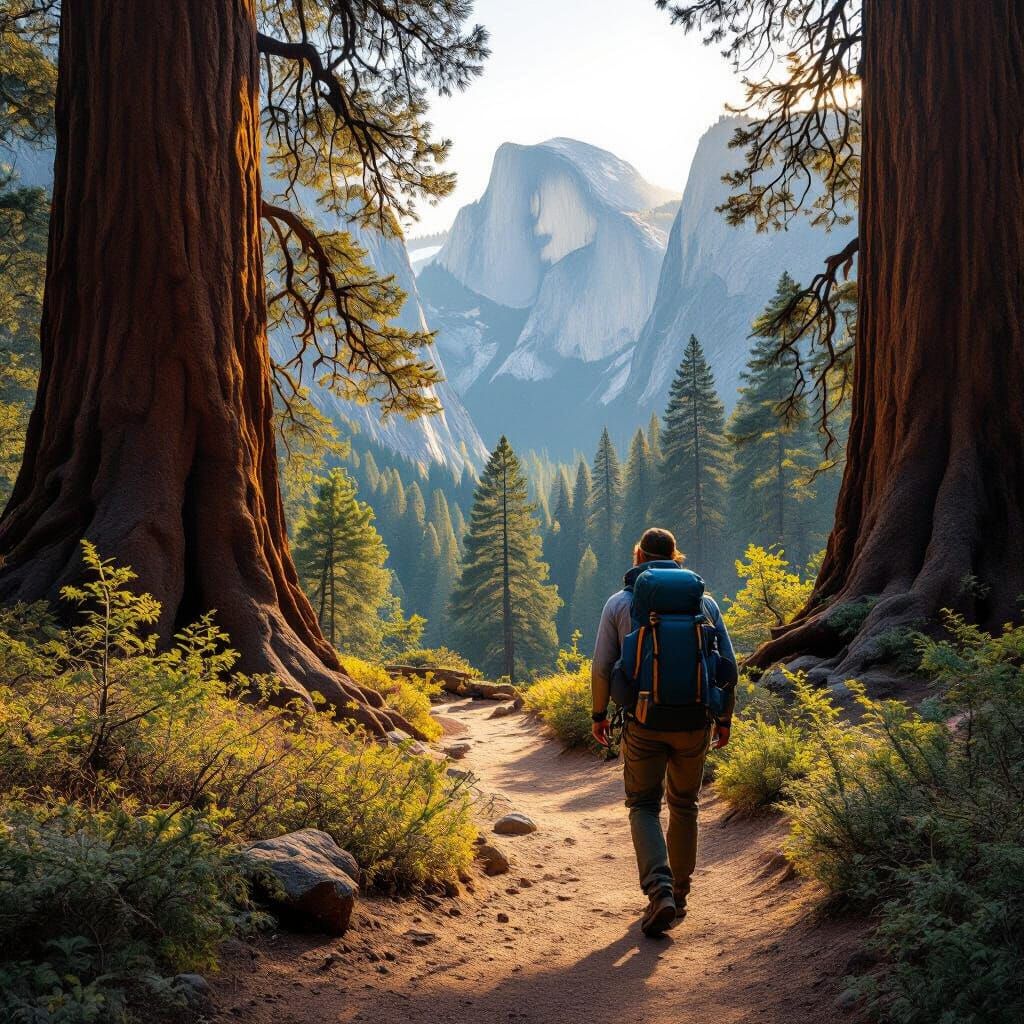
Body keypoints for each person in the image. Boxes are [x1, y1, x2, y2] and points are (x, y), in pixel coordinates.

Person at [590, 527, 737, 937]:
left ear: (638, 556)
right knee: (685, 804)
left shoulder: (621, 603)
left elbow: (602, 666)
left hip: (643, 722)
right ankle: (682, 893)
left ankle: (660, 891)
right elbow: (728, 668)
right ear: (676, 557)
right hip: (695, 722)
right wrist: (723, 719)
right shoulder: (704, 604)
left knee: (643, 805)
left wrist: (599, 714)